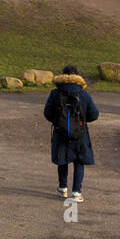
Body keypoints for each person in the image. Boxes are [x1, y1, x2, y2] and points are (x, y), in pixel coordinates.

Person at [42, 65, 99, 202]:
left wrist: (59, 122)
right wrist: (82, 121)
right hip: (80, 133)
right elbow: (94, 114)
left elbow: (47, 113)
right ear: (78, 77)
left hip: (60, 131)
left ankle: (63, 188)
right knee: (79, 160)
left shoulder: (55, 93)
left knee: (63, 159)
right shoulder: (84, 94)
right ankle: (76, 192)